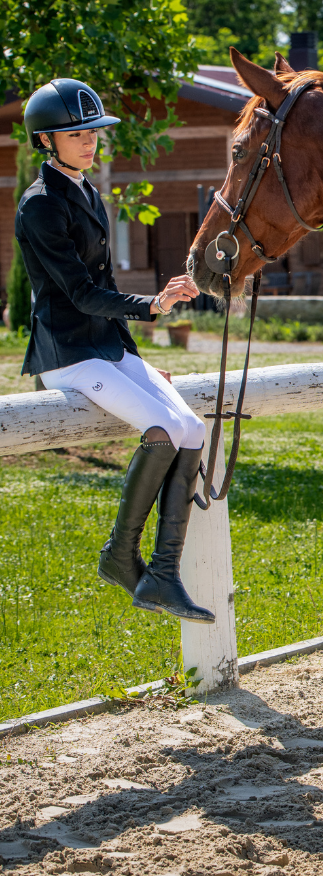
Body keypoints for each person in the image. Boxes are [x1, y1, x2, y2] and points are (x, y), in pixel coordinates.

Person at [14, 77, 214, 624]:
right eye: (74, 133)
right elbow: (79, 293)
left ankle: (164, 573)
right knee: (163, 427)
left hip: (107, 347)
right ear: (45, 141)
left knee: (193, 429)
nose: (88, 141)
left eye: (93, 132)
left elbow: (101, 281)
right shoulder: (39, 207)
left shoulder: (88, 191)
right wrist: (152, 304)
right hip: (69, 355)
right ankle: (119, 555)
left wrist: (139, 364)